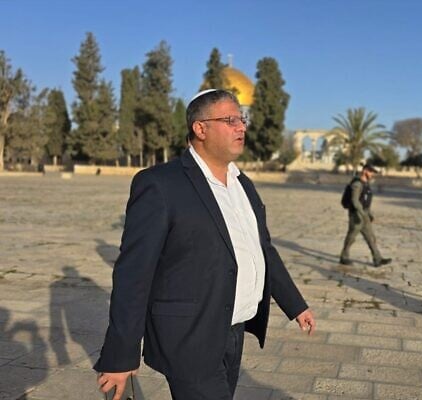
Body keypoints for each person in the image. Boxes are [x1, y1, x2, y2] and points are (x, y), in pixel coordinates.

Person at [94, 89, 316, 400]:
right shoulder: (160, 184)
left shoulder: (243, 185)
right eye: (230, 120)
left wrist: (296, 304)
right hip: (189, 337)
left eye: (242, 119)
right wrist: (120, 355)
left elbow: (263, 249)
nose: (242, 127)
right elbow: (134, 274)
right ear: (200, 128)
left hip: (234, 331)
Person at [339, 163, 392, 267]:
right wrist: (362, 214)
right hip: (356, 215)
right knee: (351, 237)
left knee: (370, 237)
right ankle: (344, 257)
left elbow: (365, 201)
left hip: (364, 214)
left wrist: (369, 214)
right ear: (365, 171)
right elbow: (355, 201)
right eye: (371, 172)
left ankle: (377, 259)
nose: (372, 174)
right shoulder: (357, 184)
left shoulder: (365, 183)